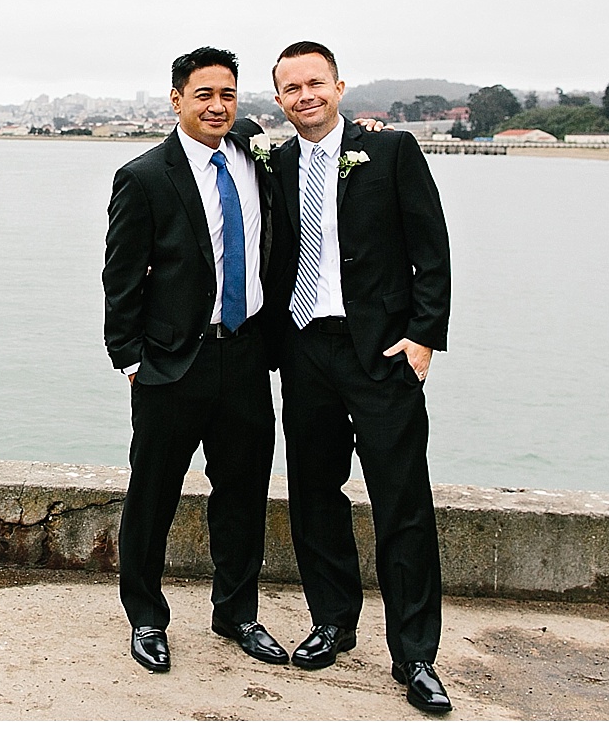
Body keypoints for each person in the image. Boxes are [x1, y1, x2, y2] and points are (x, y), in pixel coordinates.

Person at [263, 40, 454, 714]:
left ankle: (416, 655)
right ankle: (333, 622)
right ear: (279, 98)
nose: (306, 95)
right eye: (292, 87)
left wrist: (424, 338)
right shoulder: (275, 163)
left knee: (402, 501)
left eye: (316, 82)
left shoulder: (392, 150)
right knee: (315, 493)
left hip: (382, 351)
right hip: (304, 348)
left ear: (339, 86)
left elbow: (432, 248)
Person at [101, 45, 289, 674]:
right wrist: (130, 359)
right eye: (203, 94)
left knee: (242, 493)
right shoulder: (144, 176)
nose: (217, 106)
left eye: (228, 95)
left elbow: (318, 148)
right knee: (152, 494)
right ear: (177, 99)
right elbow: (121, 276)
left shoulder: (255, 155)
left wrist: (370, 130)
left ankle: (237, 612)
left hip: (245, 358)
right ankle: (147, 618)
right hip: (171, 364)